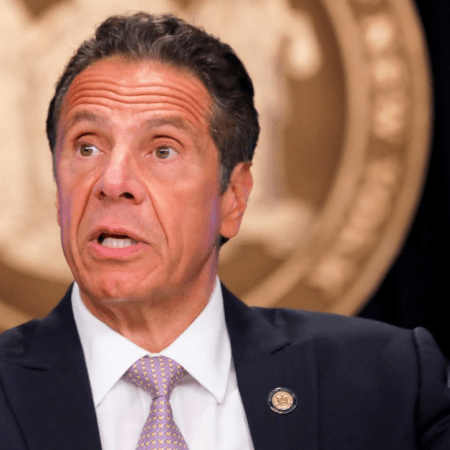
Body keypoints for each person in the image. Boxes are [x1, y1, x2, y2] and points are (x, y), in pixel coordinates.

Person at [0, 12, 449, 450]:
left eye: (162, 150)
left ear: (233, 197)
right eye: (87, 147)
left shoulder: (391, 382)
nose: (113, 182)